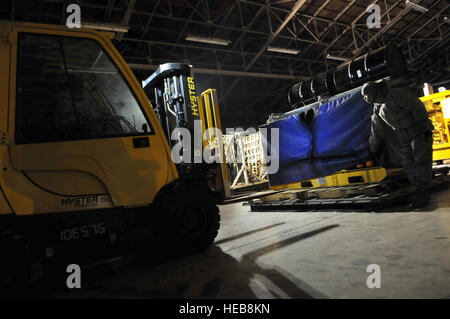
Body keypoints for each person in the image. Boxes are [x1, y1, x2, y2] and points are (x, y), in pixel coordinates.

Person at [362, 80, 434, 209]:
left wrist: (421, 127)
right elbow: (376, 129)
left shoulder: (395, 95)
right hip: (405, 137)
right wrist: (373, 147)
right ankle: (419, 190)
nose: (365, 98)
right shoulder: (377, 107)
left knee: (421, 161)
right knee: (408, 165)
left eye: (366, 95)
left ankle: (423, 193)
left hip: (418, 132)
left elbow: (416, 106)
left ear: (373, 92)